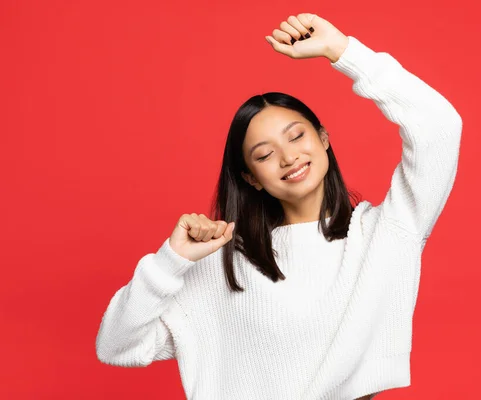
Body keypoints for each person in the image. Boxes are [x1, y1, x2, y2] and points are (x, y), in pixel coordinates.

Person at [95, 13, 462, 400]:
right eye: (265, 154)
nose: (288, 158)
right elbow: (116, 346)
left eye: (297, 136)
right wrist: (173, 260)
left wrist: (343, 51)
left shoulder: (383, 235)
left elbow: (439, 128)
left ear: (323, 138)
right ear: (251, 177)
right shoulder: (225, 265)